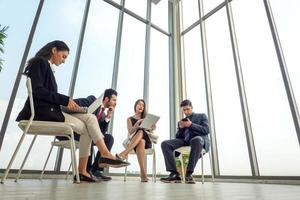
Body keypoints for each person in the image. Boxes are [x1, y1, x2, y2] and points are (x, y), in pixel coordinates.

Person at [16, 40, 129, 183]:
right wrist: (65, 100)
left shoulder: (47, 67)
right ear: (54, 50)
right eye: (63, 56)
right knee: (90, 121)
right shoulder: (40, 62)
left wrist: (106, 117)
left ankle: (84, 170)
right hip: (43, 113)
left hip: (51, 111)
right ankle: (101, 157)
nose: (63, 61)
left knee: (90, 120)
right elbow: (38, 91)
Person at [160, 99, 210, 184]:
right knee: (165, 144)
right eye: (184, 110)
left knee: (196, 140)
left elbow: (206, 130)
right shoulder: (182, 121)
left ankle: (188, 174)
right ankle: (174, 174)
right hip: (185, 141)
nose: (186, 111)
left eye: (187, 109)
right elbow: (178, 137)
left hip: (198, 139)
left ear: (192, 108)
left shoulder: (202, 116)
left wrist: (191, 125)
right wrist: (180, 128)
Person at [72, 89, 117, 181]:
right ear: (107, 99)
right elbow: (73, 103)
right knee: (90, 135)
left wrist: (108, 117)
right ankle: (87, 171)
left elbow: (101, 133)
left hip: (91, 135)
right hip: (77, 131)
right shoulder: (92, 100)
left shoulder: (103, 114)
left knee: (109, 138)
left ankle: (96, 170)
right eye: (114, 100)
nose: (115, 103)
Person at [116, 99, 157, 182]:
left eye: (143, 105)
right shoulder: (129, 119)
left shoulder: (146, 118)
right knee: (141, 141)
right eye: (139, 104)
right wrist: (137, 124)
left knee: (142, 133)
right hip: (135, 141)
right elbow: (130, 131)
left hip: (147, 141)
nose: (141, 106)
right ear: (135, 106)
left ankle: (124, 153)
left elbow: (150, 132)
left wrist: (153, 128)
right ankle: (143, 174)